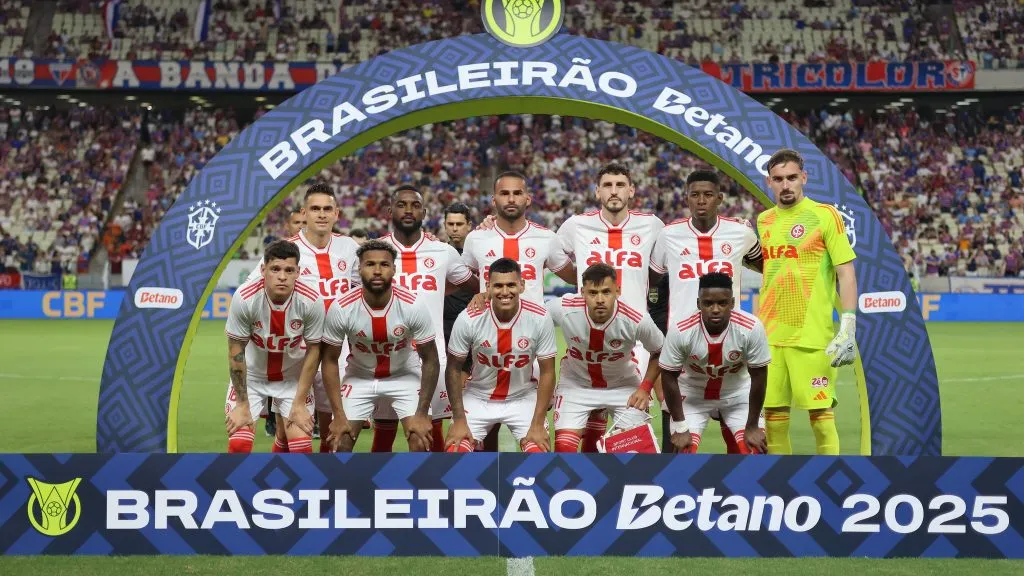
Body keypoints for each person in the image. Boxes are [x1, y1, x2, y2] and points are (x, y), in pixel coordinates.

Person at [649, 169, 763, 453]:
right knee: (675, 451)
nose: (702, 201)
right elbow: (653, 285)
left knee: (748, 450)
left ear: (720, 199)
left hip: (731, 345)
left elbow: (766, 266)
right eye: (695, 195)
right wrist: (662, 325)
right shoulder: (669, 235)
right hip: (683, 350)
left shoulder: (740, 233)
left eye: (708, 195)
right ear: (686, 198)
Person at [463, 170, 576, 451]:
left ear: (528, 198)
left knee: (535, 436)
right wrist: (479, 293)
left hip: (533, 349)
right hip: (487, 344)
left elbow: (575, 276)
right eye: (504, 193)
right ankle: (485, 488)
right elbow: (464, 277)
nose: (510, 198)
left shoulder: (546, 238)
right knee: (481, 436)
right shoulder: (476, 239)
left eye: (516, 193)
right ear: (493, 199)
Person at [555, 162, 664, 452]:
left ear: (631, 190)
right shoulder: (576, 225)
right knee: (590, 403)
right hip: (588, 322)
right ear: (597, 192)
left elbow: (667, 262)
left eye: (619, 185)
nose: (613, 191)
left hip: (635, 337)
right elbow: (550, 255)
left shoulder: (652, 225)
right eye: (607, 185)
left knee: (629, 435)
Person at [757, 148, 858, 455]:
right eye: (778, 179)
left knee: (821, 418)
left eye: (791, 178)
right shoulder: (764, 221)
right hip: (770, 337)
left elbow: (846, 273)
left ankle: (830, 490)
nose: (785, 185)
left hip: (811, 337)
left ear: (804, 178)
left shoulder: (824, 215)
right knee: (773, 420)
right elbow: (768, 275)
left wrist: (849, 323)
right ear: (769, 182)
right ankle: (778, 492)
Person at [370, 186, 478, 453]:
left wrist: (442, 288)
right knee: (385, 429)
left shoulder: (443, 252)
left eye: (415, 205)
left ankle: (435, 488)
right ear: (390, 211)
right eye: (402, 204)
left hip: (434, 356)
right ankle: (371, 490)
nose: (409, 210)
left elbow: (473, 286)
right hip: (386, 355)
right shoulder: (375, 253)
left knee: (433, 427)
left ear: (424, 212)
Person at [319, 240, 439, 452]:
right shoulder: (342, 307)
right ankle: (345, 485)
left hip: (404, 375)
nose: (376, 271)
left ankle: (416, 485)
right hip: (359, 377)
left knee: (420, 439)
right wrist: (337, 415)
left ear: (394, 269)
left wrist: (421, 414)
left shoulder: (413, 304)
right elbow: (328, 360)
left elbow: (430, 359)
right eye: (370, 264)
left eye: (384, 265)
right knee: (339, 442)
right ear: (359, 268)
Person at [547, 263, 664, 452]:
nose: (600, 299)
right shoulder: (563, 308)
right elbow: (531, 315)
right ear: (582, 292)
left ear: (617, 291)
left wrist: (645, 388)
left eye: (606, 292)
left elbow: (660, 351)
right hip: (576, 385)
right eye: (593, 293)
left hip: (623, 387)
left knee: (638, 456)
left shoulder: (636, 318)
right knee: (564, 448)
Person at [444, 258, 557, 452]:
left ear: (521, 285)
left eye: (511, 285)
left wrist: (538, 424)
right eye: (498, 286)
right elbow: (453, 369)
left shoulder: (539, 317)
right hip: (478, 396)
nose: (505, 292)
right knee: (455, 451)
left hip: (522, 397)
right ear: (487, 287)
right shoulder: (469, 318)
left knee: (539, 453)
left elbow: (548, 372)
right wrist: (460, 420)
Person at [223, 240, 324, 454]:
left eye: (289, 270)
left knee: (301, 449)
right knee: (239, 444)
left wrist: (298, 403)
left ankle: (281, 459)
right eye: (275, 269)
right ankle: (236, 488)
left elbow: (315, 351)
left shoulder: (311, 300)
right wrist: (242, 404)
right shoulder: (245, 298)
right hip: (251, 377)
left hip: (292, 379)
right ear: (263, 270)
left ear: (298, 272)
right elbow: (235, 350)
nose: (282, 276)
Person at [658, 272, 770, 454]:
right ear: (698, 303)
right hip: (693, 395)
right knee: (683, 452)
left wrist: (752, 425)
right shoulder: (681, 330)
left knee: (753, 450)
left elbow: (759, 376)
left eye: (722, 303)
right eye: (708, 303)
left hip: (737, 395)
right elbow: (669, 376)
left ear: (732, 303)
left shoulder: (751, 328)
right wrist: (680, 426)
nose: (716, 309)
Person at [264, 207, 306, 438]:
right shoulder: (277, 253)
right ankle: (272, 417)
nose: (301, 226)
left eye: (303, 222)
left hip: (308, 324)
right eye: (296, 222)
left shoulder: (318, 250)